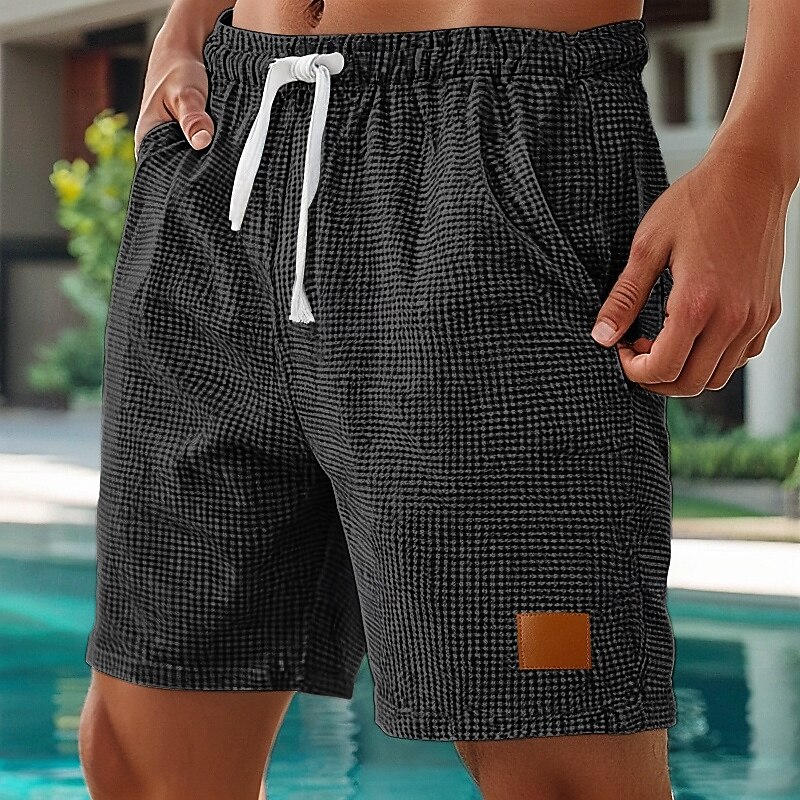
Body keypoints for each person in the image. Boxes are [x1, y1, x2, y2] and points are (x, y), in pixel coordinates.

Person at [76, 0, 798, 798]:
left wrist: (758, 157)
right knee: (138, 756)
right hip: (227, 136)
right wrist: (184, 24)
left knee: (558, 759)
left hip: (496, 145)